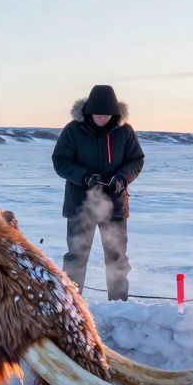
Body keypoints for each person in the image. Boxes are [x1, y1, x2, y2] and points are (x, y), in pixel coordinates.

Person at [52, 84, 145, 301]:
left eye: (105, 115)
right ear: (88, 112)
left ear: (114, 113)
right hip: (80, 205)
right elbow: (60, 161)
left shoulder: (125, 131)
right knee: (76, 256)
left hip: (114, 205)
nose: (101, 118)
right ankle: (72, 304)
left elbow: (136, 160)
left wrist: (122, 179)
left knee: (117, 257)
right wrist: (83, 177)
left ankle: (119, 303)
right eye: (97, 114)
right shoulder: (73, 130)